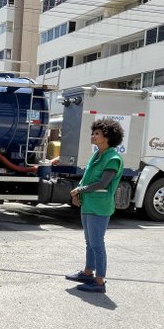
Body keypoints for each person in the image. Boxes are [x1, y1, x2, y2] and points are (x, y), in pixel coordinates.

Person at [65, 118, 125, 294]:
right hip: (89, 204)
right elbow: (87, 178)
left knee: (97, 244)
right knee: (89, 242)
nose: (93, 135)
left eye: (97, 133)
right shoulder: (97, 155)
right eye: (93, 132)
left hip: (99, 207)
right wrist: (79, 195)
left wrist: (79, 190)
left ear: (107, 137)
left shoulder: (113, 158)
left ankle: (99, 282)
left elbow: (102, 183)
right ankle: (87, 273)